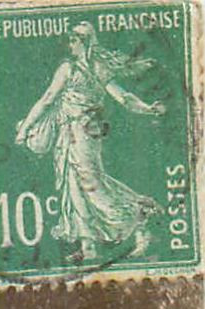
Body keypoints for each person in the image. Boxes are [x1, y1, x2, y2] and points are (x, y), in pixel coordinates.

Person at [14, 22, 167, 263]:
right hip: (71, 134)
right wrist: (148, 108)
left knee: (92, 185)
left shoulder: (72, 68)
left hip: (81, 134)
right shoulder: (93, 68)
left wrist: (25, 129)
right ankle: (88, 248)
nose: (70, 45)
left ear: (83, 42)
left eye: (74, 40)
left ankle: (139, 216)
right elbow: (124, 98)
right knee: (74, 186)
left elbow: (48, 99)